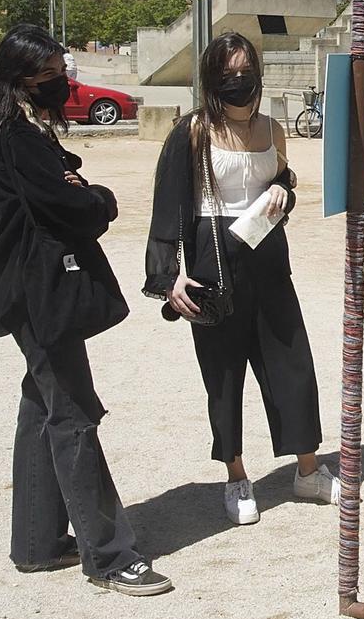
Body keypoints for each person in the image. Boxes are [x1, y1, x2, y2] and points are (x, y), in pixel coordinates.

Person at [0, 24, 172, 594]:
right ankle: (110, 556)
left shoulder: (17, 132)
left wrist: (75, 188)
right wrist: (99, 198)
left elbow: (58, 193)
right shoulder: (14, 138)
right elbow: (70, 206)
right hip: (38, 292)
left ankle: (37, 543)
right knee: (72, 414)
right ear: (22, 80)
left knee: (42, 404)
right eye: (52, 75)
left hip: (30, 289)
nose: (62, 82)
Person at [144, 32, 339, 525]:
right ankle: (236, 477)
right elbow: (168, 207)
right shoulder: (192, 132)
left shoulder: (273, 128)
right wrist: (168, 276)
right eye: (228, 74)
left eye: (245, 72)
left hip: (269, 256)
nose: (239, 82)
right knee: (224, 375)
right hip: (213, 261)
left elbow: (284, 183)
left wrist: (281, 195)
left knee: (292, 363)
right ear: (212, 79)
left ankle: (307, 470)